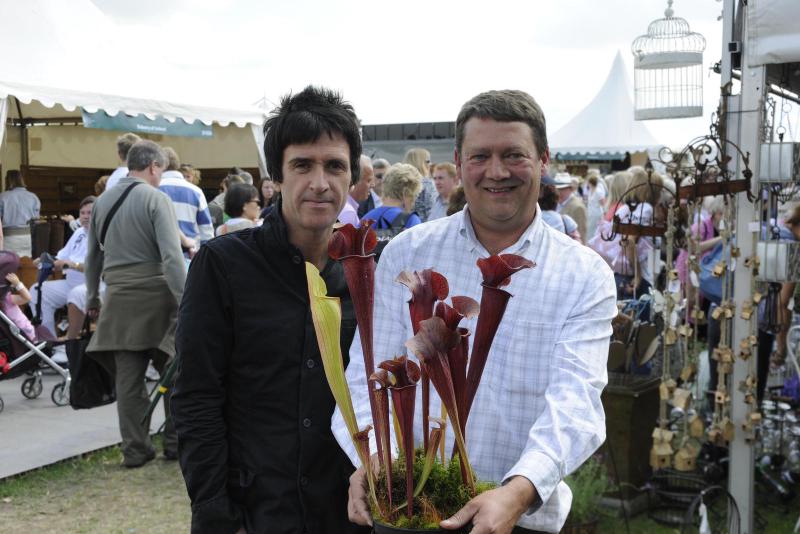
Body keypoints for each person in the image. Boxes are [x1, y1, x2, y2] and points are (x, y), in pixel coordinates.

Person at [339, 89, 616, 534]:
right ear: (458, 160)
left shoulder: (584, 275)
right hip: (412, 509)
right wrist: (374, 462)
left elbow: (575, 402)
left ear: (544, 159)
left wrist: (519, 489)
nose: (497, 172)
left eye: (514, 155)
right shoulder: (409, 253)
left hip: (519, 516)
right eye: (480, 156)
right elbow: (364, 375)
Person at [171, 85, 371, 534]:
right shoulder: (223, 265)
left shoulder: (367, 274)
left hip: (347, 512)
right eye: (302, 165)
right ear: (276, 177)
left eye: (334, 166)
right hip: (254, 510)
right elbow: (196, 397)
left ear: (352, 176)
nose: (320, 182)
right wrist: (216, 511)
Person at [85, 140, 185, 469]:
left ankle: (136, 449)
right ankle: (175, 443)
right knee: (175, 374)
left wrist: (92, 297)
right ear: (154, 167)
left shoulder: (101, 203)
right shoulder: (156, 199)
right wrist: (186, 300)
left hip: (118, 300)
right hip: (159, 299)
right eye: (161, 171)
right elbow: (172, 257)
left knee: (128, 382)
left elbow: (92, 258)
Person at [29, 196, 95, 344]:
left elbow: (98, 268)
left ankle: (70, 345)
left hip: (94, 286)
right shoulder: (79, 233)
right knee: (36, 290)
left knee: (76, 294)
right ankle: (48, 342)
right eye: (82, 213)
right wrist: (45, 260)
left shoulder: (104, 236)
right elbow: (60, 257)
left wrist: (71, 265)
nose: (85, 216)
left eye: (90, 213)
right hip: (71, 284)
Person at [158, 147, 214, 255]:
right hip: (191, 255)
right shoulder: (196, 191)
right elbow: (206, 231)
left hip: (160, 256)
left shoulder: (152, 189)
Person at [360, 162, 423, 230]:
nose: (414, 201)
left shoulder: (365, 219)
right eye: (415, 195)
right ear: (406, 193)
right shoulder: (411, 220)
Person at [0, 170, 41, 257]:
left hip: (8, 237)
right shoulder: (33, 197)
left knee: (9, 266)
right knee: (25, 266)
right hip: (27, 237)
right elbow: (36, 221)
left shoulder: (2, 197)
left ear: (8, 180)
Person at [0, 252, 35, 341]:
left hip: (22, 333)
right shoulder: (6, 299)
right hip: (19, 336)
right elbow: (27, 298)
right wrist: (17, 284)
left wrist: (17, 284)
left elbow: (27, 298)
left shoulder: (5, 299)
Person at [339, 155, 374, 226]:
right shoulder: (348, 213)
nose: (373, 184)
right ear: (354, 180)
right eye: (368, 180)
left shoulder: (346, 209)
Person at [553, 172, 587, 243]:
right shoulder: (555, 203)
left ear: (571, 189)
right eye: (557, 189)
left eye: (563, 189)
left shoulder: (578, 207)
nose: (559, 192)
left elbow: (581, 233)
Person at [405, 147, 435, 222]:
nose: (430, 164)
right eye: (428, 161)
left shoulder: (401, 183)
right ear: (419, 163)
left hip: (404, 225)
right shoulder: (427, 183)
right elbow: (431, 210)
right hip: (423, 226)